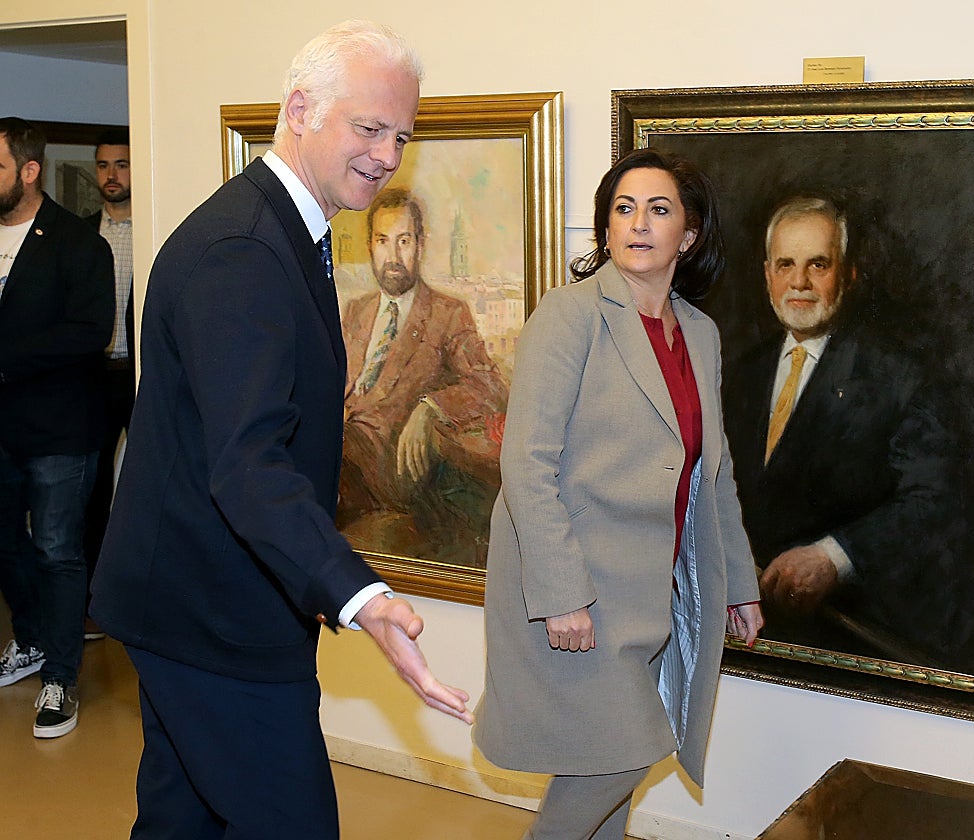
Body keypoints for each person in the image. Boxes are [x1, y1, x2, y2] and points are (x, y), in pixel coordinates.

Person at [89, 21, 472, 838]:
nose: (385, 154)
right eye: (369, 128)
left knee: (180, 820)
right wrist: (361, 593)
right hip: (213, 617)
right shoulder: (243, 248)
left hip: (191, 600)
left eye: (400, 137)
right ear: (300, 108)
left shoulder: (282, 227)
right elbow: (248, 464)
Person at [474, 147, 763, 840]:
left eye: (658, 210)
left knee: (609, 760)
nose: (638, 223)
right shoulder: (570, 315)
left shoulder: (699, 333)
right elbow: (526, 461)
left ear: (687, 235)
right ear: (606, 230)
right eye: (623, 209)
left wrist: (738, 583)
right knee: (624, 754)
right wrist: (561, 591)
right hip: (579, 587)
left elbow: (712, 471)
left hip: (651, 593)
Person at [722, 194, 958, 665]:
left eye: (819, 265)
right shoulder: (736, 373)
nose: (799, 282)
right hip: (739, 636)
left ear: (847, 275)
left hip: (847, 642)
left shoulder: (899, 379)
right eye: (785, 264)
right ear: (767, 274)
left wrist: (834, 557)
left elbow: (934, 504)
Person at [0, 116, 115, 738]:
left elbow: (89, 332)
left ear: (29, 170)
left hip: (60, 427)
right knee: (5, 543)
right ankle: (33, 640)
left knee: (57, 550)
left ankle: (60, 679)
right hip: (2, 430)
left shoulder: (76, 243)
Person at [339, 187, 507, 566]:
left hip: (395, 469)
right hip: (343, 464)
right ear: (370, 245)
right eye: (383, 241)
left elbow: (490, 386)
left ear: (420, 244)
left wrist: (430, 406)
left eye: (404, 241)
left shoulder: (448, 314)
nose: (393, 256)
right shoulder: (356, 312)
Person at [82, 127, 135, 641]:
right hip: (95, 378)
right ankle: (94, 602)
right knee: (93, 488)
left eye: (120, 164)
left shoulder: (156, 228)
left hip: (142, 377)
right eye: (102, 165)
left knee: (141, 485)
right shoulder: (80, 235)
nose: (111, 175)